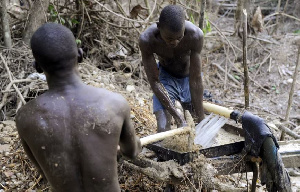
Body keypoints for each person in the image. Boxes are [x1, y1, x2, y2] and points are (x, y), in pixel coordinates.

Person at [16, 23, 141, 192]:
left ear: (37, 67)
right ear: (80, 55)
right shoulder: (115, 104)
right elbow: (131, 152)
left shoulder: (26, 117)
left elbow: (45, 173)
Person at [139, 5, 204, 132]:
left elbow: (196, 79)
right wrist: (177, 116)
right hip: (165, 79)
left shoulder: (195, 36)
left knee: (196, 123)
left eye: (179, 37)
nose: (174, 42)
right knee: (163, 128)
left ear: (184, 28)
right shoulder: (147, 40)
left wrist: (202, 121)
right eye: (169, 38)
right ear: (159, 27)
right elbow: (155, 81)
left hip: (189, 78)